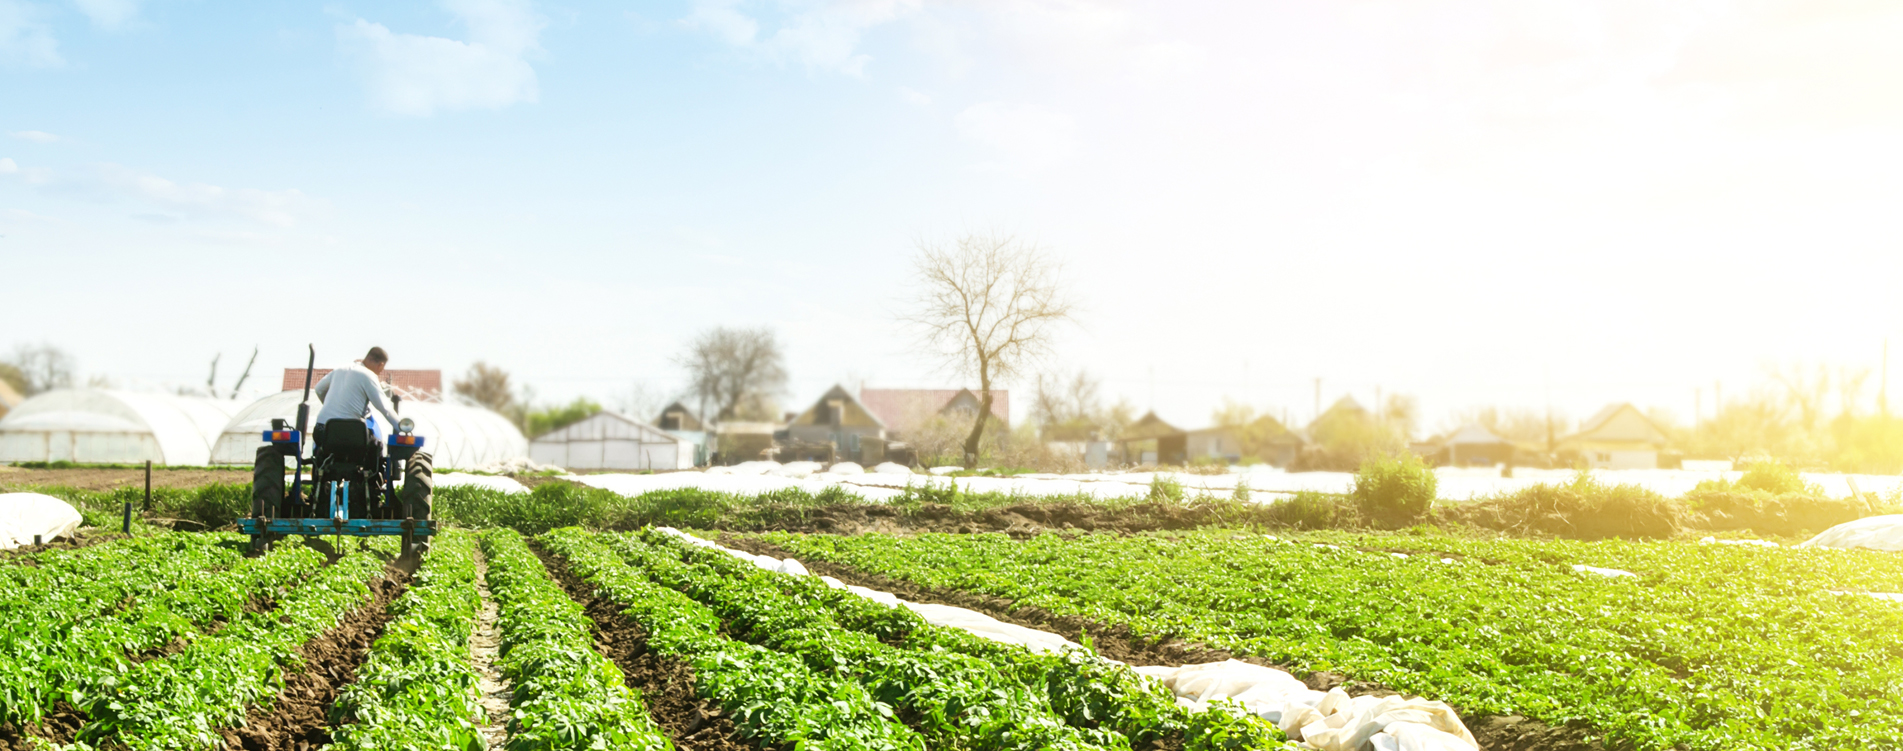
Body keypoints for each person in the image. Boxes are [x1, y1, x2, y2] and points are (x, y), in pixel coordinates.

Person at [313, 346, 400, 435]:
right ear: (381, 365)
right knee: (375, 442)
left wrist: (332, 406)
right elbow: (385, 409)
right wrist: (402, 428)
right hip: (347, 431)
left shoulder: (340, 368)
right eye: (382, 368)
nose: (381, 372)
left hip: (322, 428)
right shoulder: (369, 375)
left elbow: (318, 389)